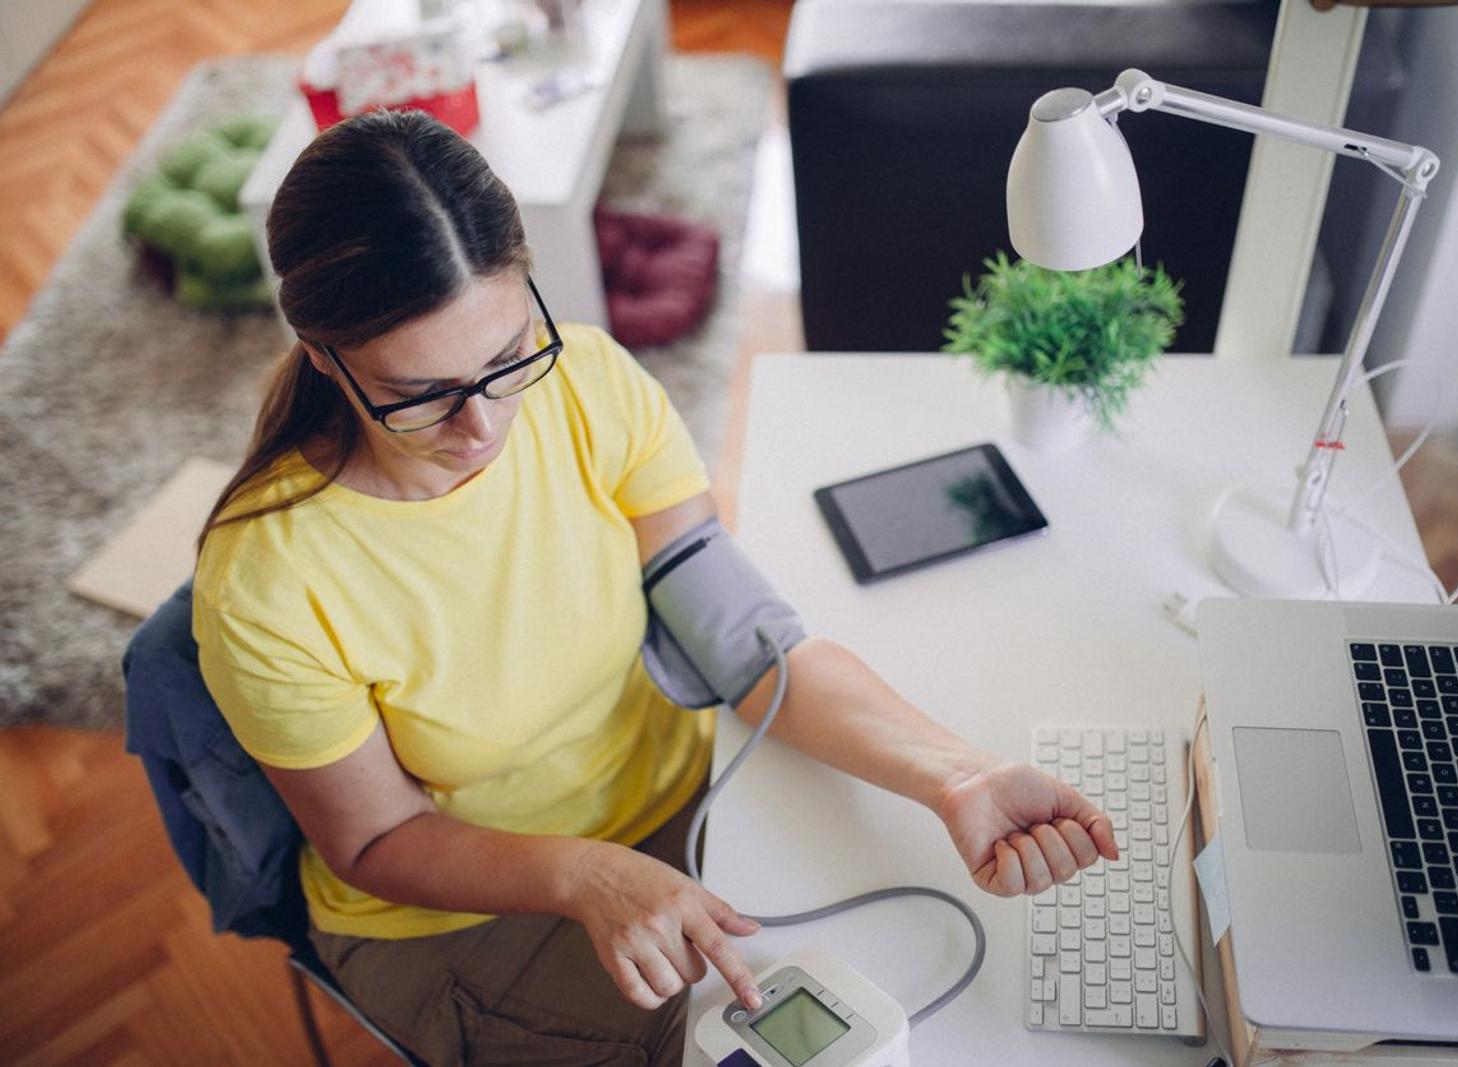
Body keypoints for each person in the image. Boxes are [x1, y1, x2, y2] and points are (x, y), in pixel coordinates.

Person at [192, 109, 1118, 1067]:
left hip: (685, 795)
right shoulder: (266, 583)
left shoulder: (588, 382)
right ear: (321, 354)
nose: (485, 426)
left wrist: (956, 774)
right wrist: (584, 873)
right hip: (458, 910)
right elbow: (375, 839)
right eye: (420, 391)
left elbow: (749, 648)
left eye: (509, 357)